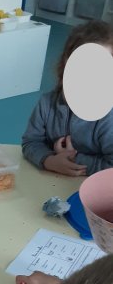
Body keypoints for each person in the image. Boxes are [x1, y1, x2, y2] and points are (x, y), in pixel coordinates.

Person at [22, 20, 113, 177]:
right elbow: (30, 142)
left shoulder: (108, 119)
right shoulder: (47, 104)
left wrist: (74, 159)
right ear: (66, 63)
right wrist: (49, 160)